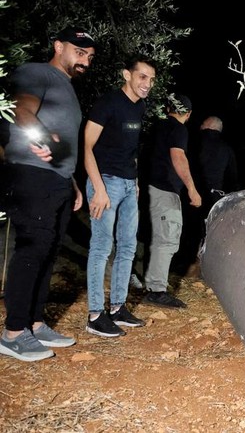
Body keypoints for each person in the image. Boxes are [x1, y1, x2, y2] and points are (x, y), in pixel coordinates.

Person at [0, 27, 95, 361]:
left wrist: (71, 182)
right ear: (58, 46)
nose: (85, 59)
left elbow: (63, 145)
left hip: (57, 180)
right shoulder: (37, 72)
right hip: (31, 174)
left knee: (49, 250)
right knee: (33, 247)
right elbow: (20, 109)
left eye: (89, 56)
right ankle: (13, 333)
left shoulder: (66, 87)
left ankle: (36, 323)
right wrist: (37, 137)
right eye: (79, 52)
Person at [84, 55, 156, 337]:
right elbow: (87, 146)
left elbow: (132, 148)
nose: (147, 84)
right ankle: (94, 314)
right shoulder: (108, 104)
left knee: (127, 247)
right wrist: (98, 188)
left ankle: (117, 307)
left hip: (127, 185)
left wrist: (135, 181)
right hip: (106, 183)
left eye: (151, 79)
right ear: (127, 75)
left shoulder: (141, 108)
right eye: (142, 77)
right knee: (102, 247)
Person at [142, 94, 200, 309]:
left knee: (155, 237)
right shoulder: (178, 129)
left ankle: (150, 284)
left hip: (150, 187)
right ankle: (157, 291)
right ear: (188, 114)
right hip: (164, 189)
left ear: (167, 108)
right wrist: (192, 189)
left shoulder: (157, 126)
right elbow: (178, 158)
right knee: (166, 239)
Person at [198, 115, 238, 206]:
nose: (201, 126)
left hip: (193, 196)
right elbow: (233, 176)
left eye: (203, 124)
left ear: (210, 126)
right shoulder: (227, 149)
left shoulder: (194, 143)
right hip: (217, 197)